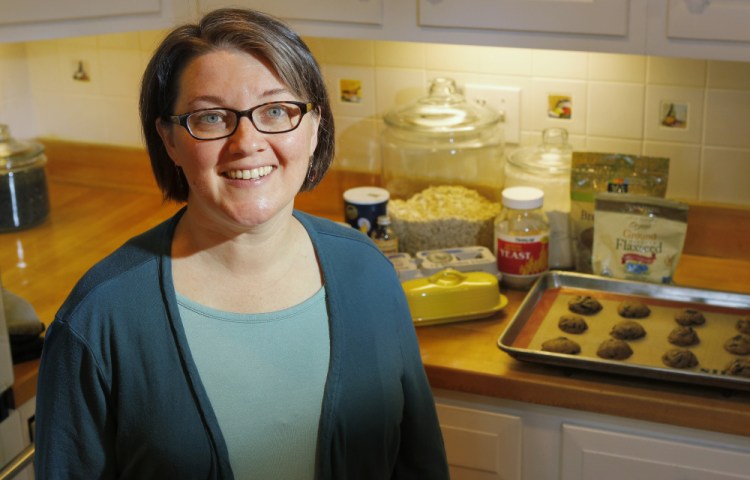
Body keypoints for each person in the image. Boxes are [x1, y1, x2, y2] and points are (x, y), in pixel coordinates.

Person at [34, 7, 449, 480]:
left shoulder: (367, 272)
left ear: (315, 127)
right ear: (169, 140)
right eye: (211, 118)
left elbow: (420, 466)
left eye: (277, 111)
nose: (247, 142)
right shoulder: (99, 319)